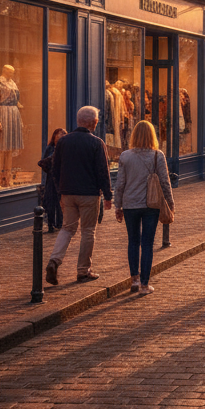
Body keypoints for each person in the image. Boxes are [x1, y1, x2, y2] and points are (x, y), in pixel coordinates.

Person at [46, 106, 113, 285]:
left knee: (67, 228)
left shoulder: (63, 142)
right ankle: (83, 270)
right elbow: (102, 172)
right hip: (89, 194)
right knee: (88, 231)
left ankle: (54, 261)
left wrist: (60, 190)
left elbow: (55, 168)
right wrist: (108, 195)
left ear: (78, 121)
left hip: (68, 193)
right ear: (95, 122)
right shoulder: (96, 143)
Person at [113, 120, 174, 296]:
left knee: (133, 241)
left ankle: (135, 279)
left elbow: (120, 184)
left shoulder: (125, 156)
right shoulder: (158, 155)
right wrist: (170, 203)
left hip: (130, 204)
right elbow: (165, 182)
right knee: (147, 243)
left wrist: (118, 205)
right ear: (152, 136)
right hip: (151, 204)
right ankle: (145, 285)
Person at [38, 128, 66, 232]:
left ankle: (60, 223)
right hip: (51, 179)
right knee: (50, 202)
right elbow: (43, 162)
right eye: (58, 134)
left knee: (61, 202)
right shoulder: (50, 149)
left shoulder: (66, 148)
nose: (60, 136)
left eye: (63, 134)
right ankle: (50, 224)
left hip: (62, 180)